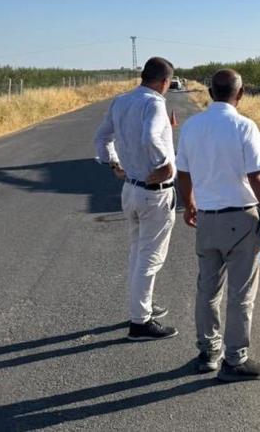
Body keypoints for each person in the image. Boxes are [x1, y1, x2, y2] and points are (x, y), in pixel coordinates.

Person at [176, 69, 260, 382]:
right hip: (240, 219)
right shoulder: (244, 126)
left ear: (210, 93)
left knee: (207, 290)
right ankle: (235, 360)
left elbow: (183, 172)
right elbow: (257, 176)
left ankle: (209, 352)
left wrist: (189, 204)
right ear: (241, 93)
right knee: (241, 293)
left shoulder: (192, 127)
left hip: (207, 219)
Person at [94, 57, 178, 341]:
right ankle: (140, 322)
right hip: (154, 193)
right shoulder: (155, 103)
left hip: (130, 189)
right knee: (150, 257)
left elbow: (102, 137)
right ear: (165, 81)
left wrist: (113, 163)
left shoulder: (121, 101)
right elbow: (150, 137)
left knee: (137, 252)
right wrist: (165, 164)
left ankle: (143, 305)